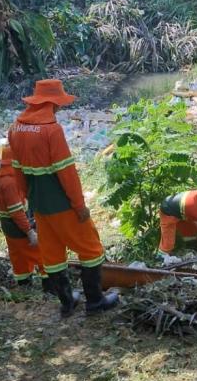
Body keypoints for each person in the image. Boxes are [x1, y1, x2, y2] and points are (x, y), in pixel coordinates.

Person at [8, 79, 118, 317]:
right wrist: (79, 206)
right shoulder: (51, 130)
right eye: (59, 104)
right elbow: (66, 173)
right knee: (91, 249)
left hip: (39, 205)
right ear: (52, 103)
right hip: (62, 205)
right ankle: (95, 301)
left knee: (53, 254)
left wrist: (28, 200)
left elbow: (17, 171)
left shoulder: (15, 128)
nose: (60, 108)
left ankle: (67, 303)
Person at [0, 145, 47, 289]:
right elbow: (16, 211)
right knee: (41, 254)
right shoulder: (10, 182)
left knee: (19, 258)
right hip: (18, 225)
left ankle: (24, 287)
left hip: (8, 225)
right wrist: (30, 232)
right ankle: (51, 287)